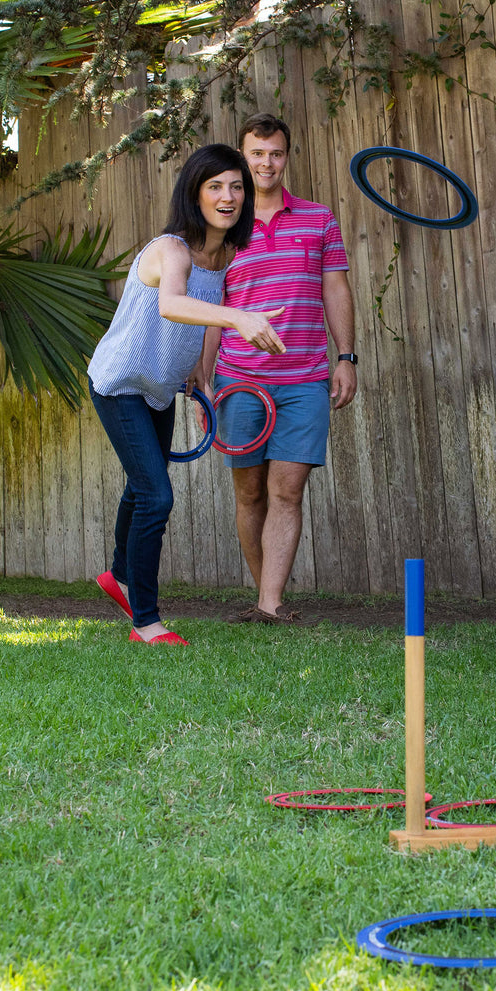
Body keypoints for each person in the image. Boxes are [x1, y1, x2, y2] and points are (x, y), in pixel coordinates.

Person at [87, 144, 285, 645]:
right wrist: (240, 318)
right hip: (120, 383)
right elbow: (174, 304)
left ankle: (118, 576)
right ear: (194, 194)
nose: (229, 196)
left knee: (140, 487)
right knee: (156, 495)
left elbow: (200, 316)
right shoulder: (170, 249)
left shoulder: (224, 254)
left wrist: (201, 371)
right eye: (215, 186)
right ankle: (146, 623)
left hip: (160, 387)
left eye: (236, 186)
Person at [204, 112, 358, 623]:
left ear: (286, 157)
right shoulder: (224, 225)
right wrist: (203, 377)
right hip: (238, 379)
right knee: (249, 493)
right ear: (242, 158)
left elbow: (335, 286)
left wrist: (346, 357)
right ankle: (263, 595)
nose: (267, 163)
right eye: (257, 154)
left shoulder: (319, 218)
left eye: (276, 153)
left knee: (286, 491)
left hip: (305, 379)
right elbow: (209, 308)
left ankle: (271, 605)